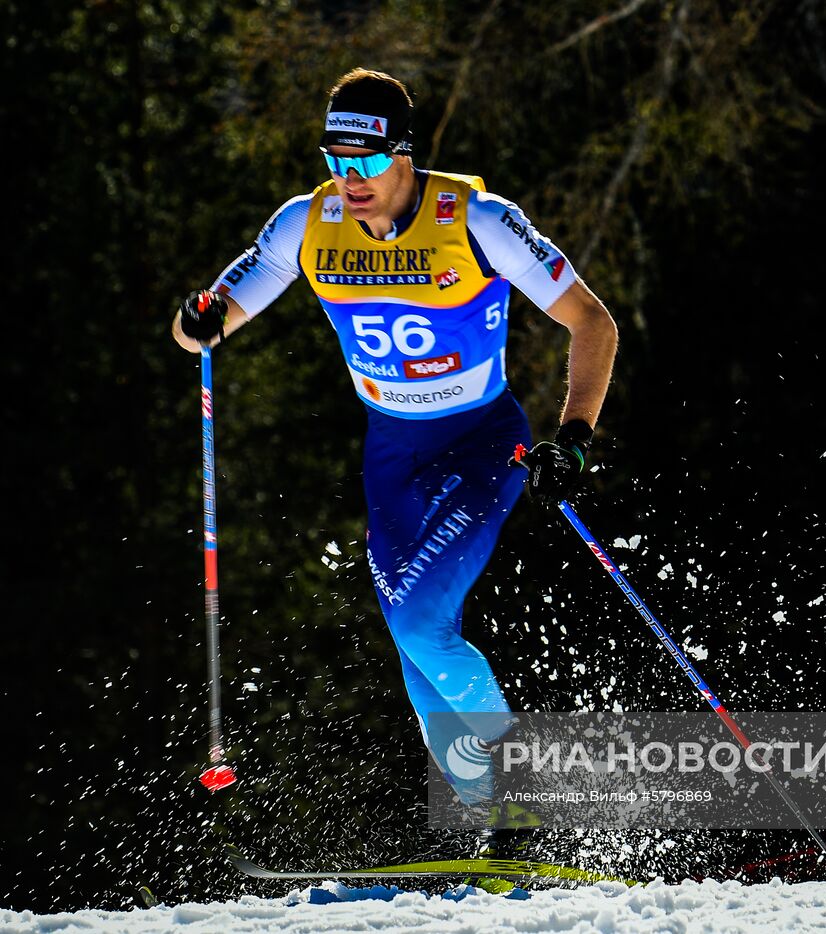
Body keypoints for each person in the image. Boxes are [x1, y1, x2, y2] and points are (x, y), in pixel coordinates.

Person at [173, 68, 618, 855]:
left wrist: (575, 436)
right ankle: (495, 828)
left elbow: (591, 321)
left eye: (369, 165)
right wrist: (197, 318)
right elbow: (204, 324)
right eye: (338, 163)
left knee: (419, 620)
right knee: (416, 644)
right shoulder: (304, 224)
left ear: (404, 156)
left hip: (481, 442)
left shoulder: (477, 218)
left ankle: (516, 799)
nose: (353, 182)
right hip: (391, 457)